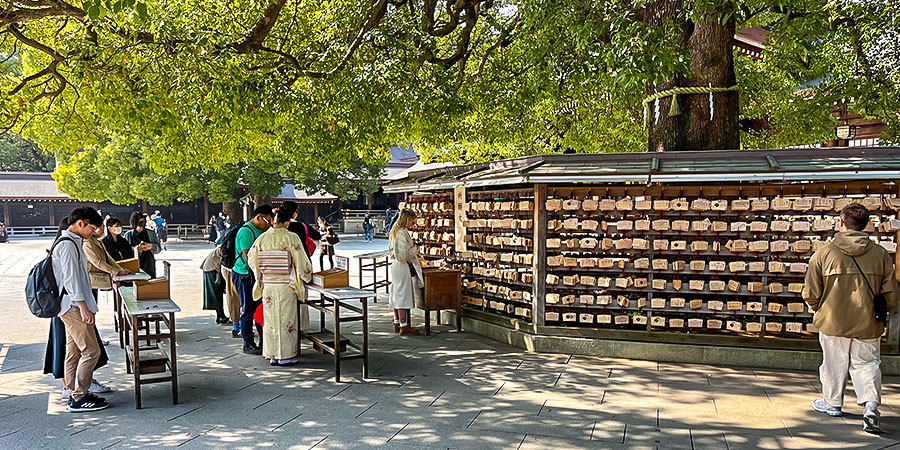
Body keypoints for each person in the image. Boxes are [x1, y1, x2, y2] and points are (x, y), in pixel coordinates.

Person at [804, 204, 899, 433]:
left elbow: (811, 291)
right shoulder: (880, 254)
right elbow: (891, 293)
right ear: (865, 224)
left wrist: (817, 308)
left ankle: (832, 403)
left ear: (841, 223)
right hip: (867, 320)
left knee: (833, 364)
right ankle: (870, 405)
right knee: (867, 364)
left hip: (832, 319)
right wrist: (886, 310)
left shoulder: (824, 253)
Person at [44, 217, 115, 403]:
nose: (94, 233)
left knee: (74, 351)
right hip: (73, 306)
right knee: (92, 351)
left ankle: (73, 391)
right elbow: (71, 280)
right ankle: (79, 396)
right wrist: (83, 306)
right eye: (93, 228)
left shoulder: (72, 242)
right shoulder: (67, 245)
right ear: (81, 223)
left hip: (72, 305)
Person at [248, 207, 313, 365]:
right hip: (286, 285)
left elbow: (251, 258)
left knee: (271, 321)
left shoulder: (263, 238)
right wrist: (306, 274)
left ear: (273, 221)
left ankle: (271, 355)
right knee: (286, 320)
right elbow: (301, 261)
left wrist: (261, 275)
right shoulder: (291, 237)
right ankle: (285, 356)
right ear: (287, 222)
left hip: (269, 285)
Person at [232, 205, 274, 355]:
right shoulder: (246, 232)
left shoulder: (260, 231)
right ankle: (248, 343)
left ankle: (263, 341)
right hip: (244, 275)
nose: (268, 225)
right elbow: (249, 257)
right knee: (248, 310)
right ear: (258, 217)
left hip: (255, 275)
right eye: (267, 221)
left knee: (259, 309)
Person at [388, 209, 423, 336]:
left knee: (396, 293)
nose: (411, 225)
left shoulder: (394, 231)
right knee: (402, 294)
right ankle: (404, 325)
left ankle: (397, 322)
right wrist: (414, 249)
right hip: (402, 266)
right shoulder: (402, 233)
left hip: (396, 266)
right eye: (412, 222)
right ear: (407, 219)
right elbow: (403, 255)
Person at [124, 212, 161, 278]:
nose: (141, 223)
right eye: (139, 221)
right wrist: (135, 249)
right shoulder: (128, 235)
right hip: (134, 264)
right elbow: (125, 252)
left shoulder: (151, 233)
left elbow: (158, 249)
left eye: (143, 221)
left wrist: (151, 246)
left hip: (148, 264)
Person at [201, 247, 229, 324]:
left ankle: (219, 316)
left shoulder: (225, 243)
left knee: (217, 294)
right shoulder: (226, 245)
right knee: (217, 294)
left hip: (210, 268)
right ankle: (221, 317)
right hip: (212, 269)